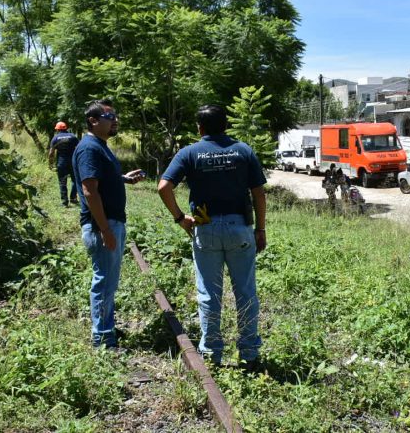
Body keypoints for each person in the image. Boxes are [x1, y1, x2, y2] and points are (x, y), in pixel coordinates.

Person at [157, 104, 267, 370]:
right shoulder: (243, 150)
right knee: (245, 292)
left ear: (200, 128)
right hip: (239, 226)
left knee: (209, 293)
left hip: (204, 226)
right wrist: (260, 229)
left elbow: (163, 186)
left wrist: (180, 217)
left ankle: (212, 354)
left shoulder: (190, 153)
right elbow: (258, 193)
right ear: (226, 125)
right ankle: (249, 353)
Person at [72, 99, 145, 349]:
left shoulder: (99, 146)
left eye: (115, 116)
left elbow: (100, 179)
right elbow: (89, 189)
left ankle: (106, 328)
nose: (115, 120)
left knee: (109, 281)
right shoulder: (89, 147)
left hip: (111, 222)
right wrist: (104, 230)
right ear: (93, 121)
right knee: (104, 281)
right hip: (102, 225)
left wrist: (122, 178)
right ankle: (102, 338)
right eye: (109, 116)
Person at [48, 121, 80, 207]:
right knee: (76, 180)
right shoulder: (73, 137)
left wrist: (50, 163)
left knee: (62, 182)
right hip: (73, 162)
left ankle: (65, 202)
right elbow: (79, 149)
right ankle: (73, 198)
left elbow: (51, 152)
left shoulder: (55, 138)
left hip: (61, 163)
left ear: (57, 129)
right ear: (66, 128)